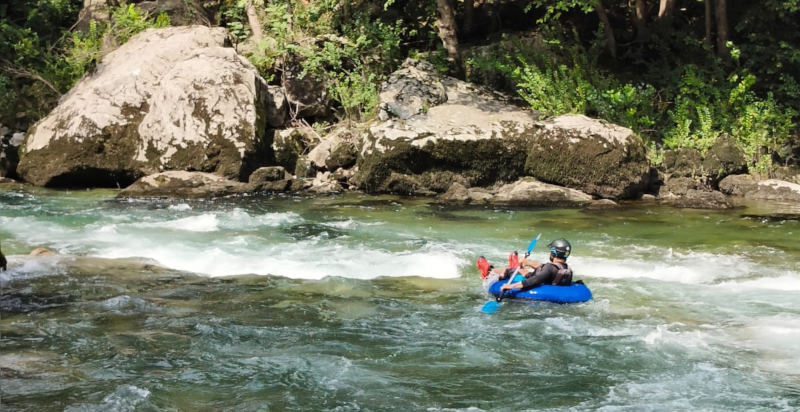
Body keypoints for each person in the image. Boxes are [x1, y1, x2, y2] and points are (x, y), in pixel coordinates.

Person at [500, 238, 573, 292]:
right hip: (544, 278)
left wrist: (510, 286)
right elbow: (545, 267)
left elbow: (533, 280)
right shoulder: (567, 269)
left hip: (536, 279)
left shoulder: (549, 268)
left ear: (554, 253)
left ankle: (492, 270)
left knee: (511, 271)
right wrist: (528, 263)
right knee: (522, 270)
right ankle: (520, 265)